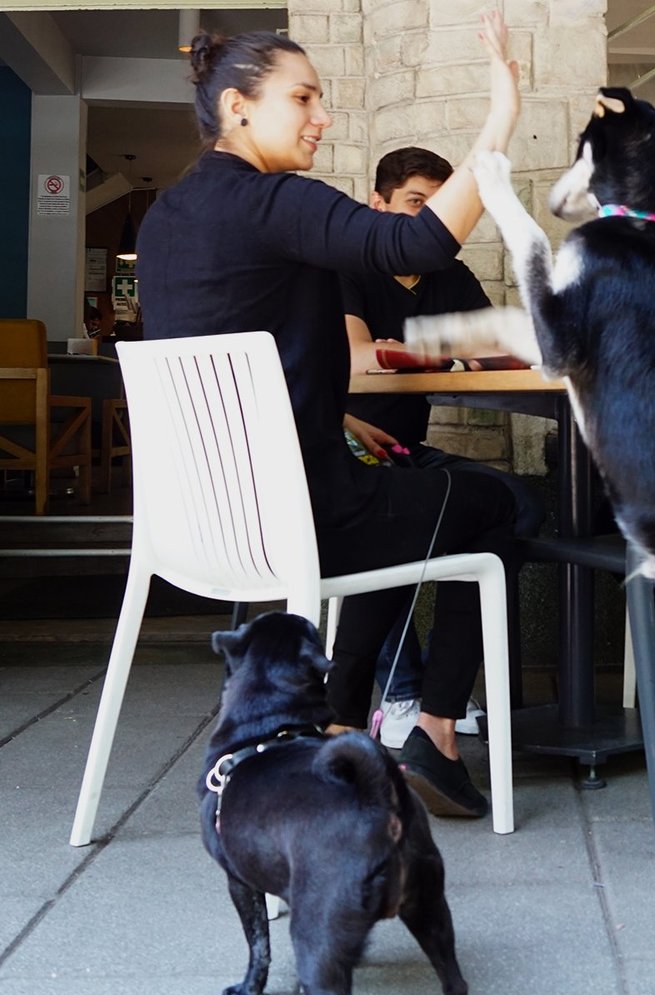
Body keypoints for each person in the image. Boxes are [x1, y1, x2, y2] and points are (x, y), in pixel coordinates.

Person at [135, 14, 521, 818]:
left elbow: (221, 360)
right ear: (239, 106)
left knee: (403, 484)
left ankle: (340, 717)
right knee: (502, 503)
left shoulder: (166, 218)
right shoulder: (272, 201)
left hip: (206, 522)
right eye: (303, 97)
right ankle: (438, 735)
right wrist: (501, 113)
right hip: (305, 518)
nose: (323, 116)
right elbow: (418, 243)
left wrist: (342, 422)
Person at [342, 146, 545, 750]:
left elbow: (514, 348)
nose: (430, 221)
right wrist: (446, 350)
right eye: (415, 204)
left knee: (518, 503)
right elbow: (355, 359)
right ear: (377, 204)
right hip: (341, 447)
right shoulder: (346, 264)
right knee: (399, 516)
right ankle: (401, 693)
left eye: (441, 206)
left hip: (406, 448)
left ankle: (438, 697)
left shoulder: (446, 275)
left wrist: (414, 350)